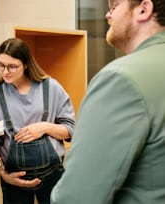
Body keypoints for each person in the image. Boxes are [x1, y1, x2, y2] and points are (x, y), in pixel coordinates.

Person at [51, 0, 165, 203]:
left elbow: (76, 196)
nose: (107, 15)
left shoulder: (121, 79)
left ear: (143, 9)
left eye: (114, 6)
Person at [0, 37, 75, 204]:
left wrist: (45, 127)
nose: (5, 72)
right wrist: (4, 175)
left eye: (12, 66)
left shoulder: (51, 88)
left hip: (53, 177)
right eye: (1, 65)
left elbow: (70, 130)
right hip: (13, 181)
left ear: (25, 64)